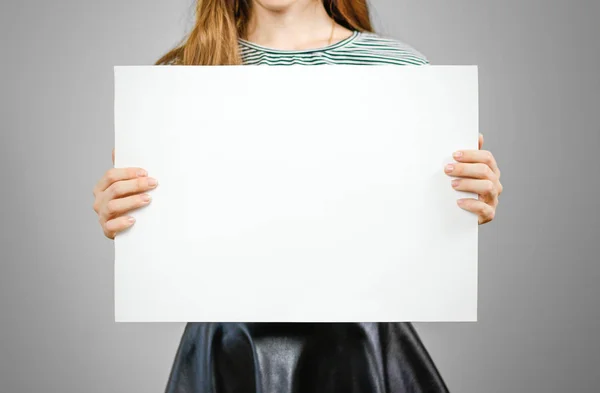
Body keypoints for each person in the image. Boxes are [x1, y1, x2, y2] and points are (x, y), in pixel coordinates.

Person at [92, 0, 503, 391]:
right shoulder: (181, 76)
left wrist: (462, 205)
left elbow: (417, 228)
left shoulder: (400, 69)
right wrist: (127, 216)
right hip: (233, 348)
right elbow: (169, 231)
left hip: (359, 347)